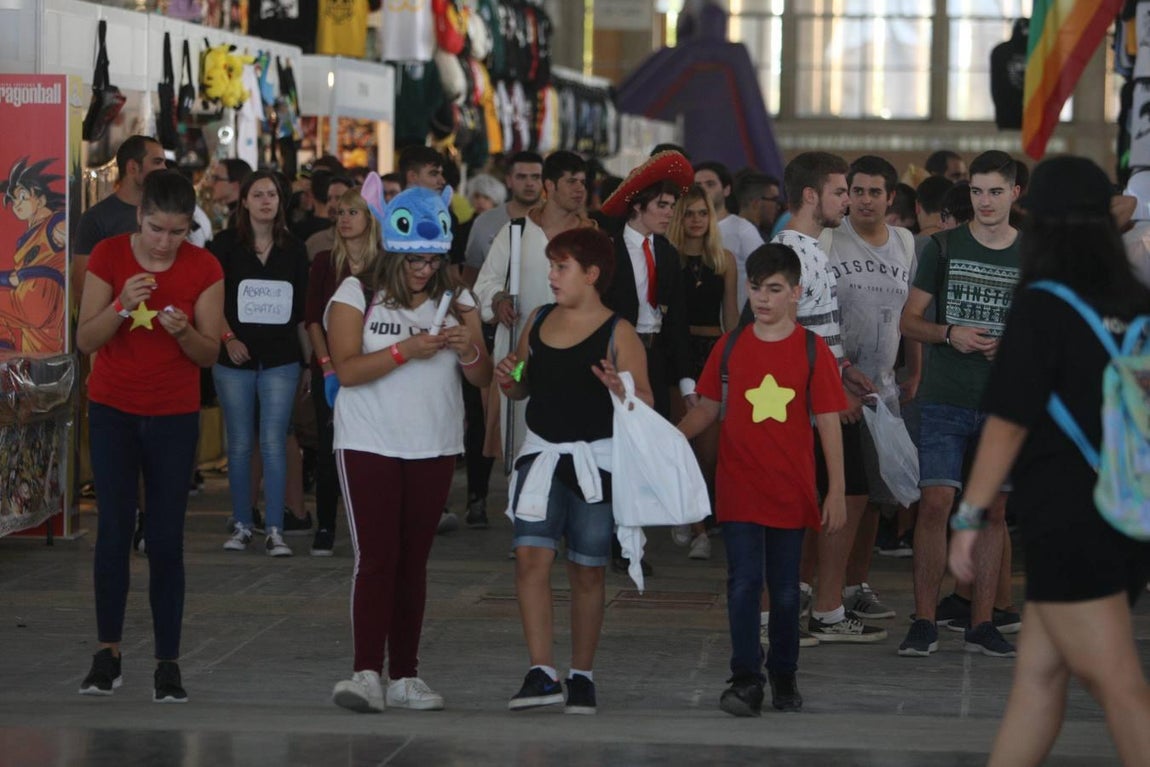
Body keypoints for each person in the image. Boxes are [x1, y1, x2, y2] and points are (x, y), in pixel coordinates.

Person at [948, 155, 1150, 766]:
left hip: (1068, 518)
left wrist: (970, 515)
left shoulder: (1044, 304)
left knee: (1119, 686)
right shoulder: (1139, 301)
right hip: (1127, 508)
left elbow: (1008, 424)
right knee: (1038, 682)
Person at [327, 183, 491, 714]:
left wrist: (468, 350)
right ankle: (365, 672)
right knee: (376, 559)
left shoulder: (459, 297)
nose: (424, 269)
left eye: (433, 259)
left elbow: (482, 376)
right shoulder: (356, 292)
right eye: (415, 260)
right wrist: (406, 350)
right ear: (393, 253)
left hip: (434, 442)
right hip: (368, 441)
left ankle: (406, 676)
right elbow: (348, 371)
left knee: (413, 563)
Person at [677, 243, 847, 716]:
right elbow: (708, 407)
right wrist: (671, 438)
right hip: (739, 486)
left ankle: (785, 671)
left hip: (791, 488)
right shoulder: (729, 345)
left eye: (775, 289)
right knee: (744, 583)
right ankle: (746, 677)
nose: (764, 299)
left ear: (797, 292)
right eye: (756, 288)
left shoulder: (813, 351)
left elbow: (829, 420)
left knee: (788, 588)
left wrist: (835, 489)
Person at [75, 169, 224, 703]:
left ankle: (168, 662)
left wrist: (187, 333)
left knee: (165, 540)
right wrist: (119, 306)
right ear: (139, 216)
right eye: (157, 228)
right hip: (113, 408)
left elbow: (210, 354)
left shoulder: (205, 267)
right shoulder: (110, 255)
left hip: (173, 414)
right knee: (113, 531)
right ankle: (107, 653)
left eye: (178, 232)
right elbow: (84, 338)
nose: (165, 242)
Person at [497, 227, 652, 716]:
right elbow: (521, 383)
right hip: (541, 455)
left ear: (591, 274)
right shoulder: (539, 320)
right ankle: (542, 671)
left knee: (587, 571)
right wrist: (509, 378)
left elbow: (645, 400)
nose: (551, 276)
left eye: (561, 267)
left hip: (595, 464)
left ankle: (581, 674)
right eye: (551, 266)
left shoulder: (618, 332)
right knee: (529, 559)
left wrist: (619, 389)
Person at [898, 150, 1023, 658]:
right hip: (945, 396)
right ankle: (925, 619)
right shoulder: (942, 246)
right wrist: (951, 334)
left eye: (995, 191)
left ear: (1015, 193)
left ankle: (982, 622)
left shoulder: (1033, 255)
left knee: (993, 509)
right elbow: (909, 321)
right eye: (976, 191)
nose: (985, 201)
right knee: (935, 503)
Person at [772, 151, 877, 647]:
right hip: (808, 406)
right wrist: (830, 395)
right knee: (826, 500)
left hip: (826, 395)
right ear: (811, 195)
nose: (848, 201)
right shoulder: (791, 254)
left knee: (848, 496)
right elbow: (788, 339)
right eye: (840, 191)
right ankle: (811, 608)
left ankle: (824, 606)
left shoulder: (812, 249)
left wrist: (845, 370)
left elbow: (818, 334)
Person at [817, 155, 919, 631]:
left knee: (875, 495)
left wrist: (913, 369)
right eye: (856, 191)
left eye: (875, 192)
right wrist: (836, 382)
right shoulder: (828, 239)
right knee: (835, 492)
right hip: (834, 386)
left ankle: (855, 588)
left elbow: (910, 315)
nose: (864, 200)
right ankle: (816, 590)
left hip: (883, 389)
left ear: (890, 198)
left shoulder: (904, 242)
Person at [474, 151, 595, 468]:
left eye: (582, 182)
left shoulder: (590, 237)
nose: (579, 189)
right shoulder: (515, 232)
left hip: (575, 352)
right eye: (571, 181)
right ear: (550, 185)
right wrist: (498, 300)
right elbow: (484, 284)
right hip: (519, 353)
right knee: (519, 428)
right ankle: (521, 505)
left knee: (569, 436)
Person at [213, 171, 310, 557]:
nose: (266, 201)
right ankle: (241, 523)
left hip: (282, 359)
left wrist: (307, 363)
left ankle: (275, 528)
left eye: (273, 194)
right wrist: (227, 338)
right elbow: (211, 303)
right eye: (258, 194)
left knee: (274, 441)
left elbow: (302, 311)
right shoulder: (224, 245)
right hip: (232, 359)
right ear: (245, 201)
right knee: (238, 444)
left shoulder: (294, 249)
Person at [304, 187, 382, 555]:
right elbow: (312, 320)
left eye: (353, 212)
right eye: (340, 213)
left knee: (371, 447)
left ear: (369, 218)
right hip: (331, 366)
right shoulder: (324, 261)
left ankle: (366, 523)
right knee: (328, 446)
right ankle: (325, 525)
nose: (345, 218)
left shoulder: (383, 264)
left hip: (374, 368)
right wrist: (326, 366)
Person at [665, 183, 738, 559]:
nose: (696, 220)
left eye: (702, 213)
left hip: (713, 352)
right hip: (677, 354)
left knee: (710, 451)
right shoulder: (668, 258)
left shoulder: (724, 260)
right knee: (682, 440)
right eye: (689, 213)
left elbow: (731, 317)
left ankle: (697, 514)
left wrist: (737, 359)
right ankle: (697, 527)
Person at [74, 136, 168, 287]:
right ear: (133, 167)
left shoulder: (165, 213)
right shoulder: (95, 219)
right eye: (157, 162)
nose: (164, 168)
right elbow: (82, 287)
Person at [0, 156, 67, 353]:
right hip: (40, 302)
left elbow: (65, 233)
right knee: (40, 346)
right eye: (13, 201)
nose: (17, 204)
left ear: (41, 199)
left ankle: (5, 356)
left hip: (39, 294)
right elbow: (14, 279)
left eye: (22, 196)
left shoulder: (54, 223)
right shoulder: (28, 239)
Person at [695, 160, 765, 310]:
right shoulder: (689, 229)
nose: (703, 190)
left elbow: (765, 274)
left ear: (726, 190)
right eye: (698, 185)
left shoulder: (743, 230)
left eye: (710, 184)